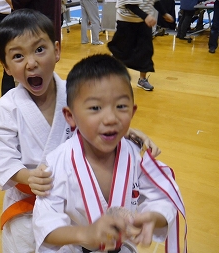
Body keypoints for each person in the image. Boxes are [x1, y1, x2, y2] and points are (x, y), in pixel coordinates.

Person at [0, 9, 162, 253]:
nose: (32, 62)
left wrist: (127, 132)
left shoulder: (75, 92)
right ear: (5, 67)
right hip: (30, 200)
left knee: (89, 240)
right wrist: (27, 177)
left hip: (78, 197)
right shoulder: (7, 108)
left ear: (56, 50)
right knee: (27, 243)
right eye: (18, 56)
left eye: (39, 49)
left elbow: (101, 116)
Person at [32, 54, 186, 253]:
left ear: (132, 111)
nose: (111, 118)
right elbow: (45, 223)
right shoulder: (58, 163)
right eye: (95, 107)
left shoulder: (135, 156)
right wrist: (85, 234)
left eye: (121, 106)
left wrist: (153, 217)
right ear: (70, 116)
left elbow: (162, 196)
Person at [107, 0, 174, 91]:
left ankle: (142, 79)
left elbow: (155, 1)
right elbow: (130, 5)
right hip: (126, 20)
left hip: (144, 22)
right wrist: (145, 16)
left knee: (146, 50)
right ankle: (113, 73)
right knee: (122, 50)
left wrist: (164, 13)